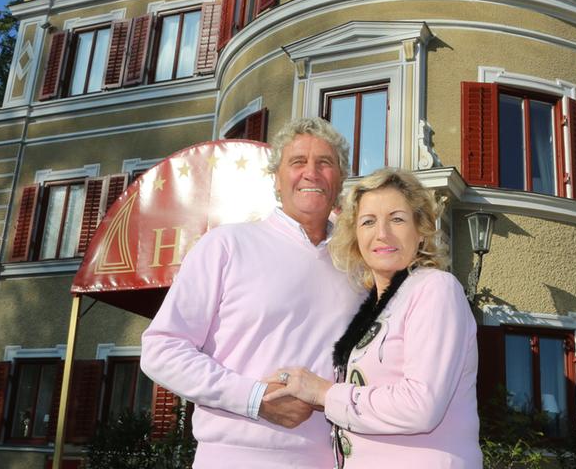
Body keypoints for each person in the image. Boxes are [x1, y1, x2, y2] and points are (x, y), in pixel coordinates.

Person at [140, 118, 364, 468]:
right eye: (297, 162)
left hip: (332, 460)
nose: (312, 173)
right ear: (276, 178)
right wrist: (255, 398)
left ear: (340, 179)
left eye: (325, 163)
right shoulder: (227, 245)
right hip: (233, 458)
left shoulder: (359, 266)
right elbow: (161, 349)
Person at [268, 168, 481, 468]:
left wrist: (323, 392)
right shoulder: (373, 309)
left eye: (397, 219)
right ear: (356, 236)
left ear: (420, 230)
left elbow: (421, 406)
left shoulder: (435, 288)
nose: (382, 233)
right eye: (368, 222)